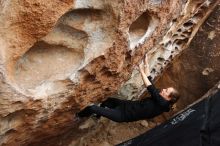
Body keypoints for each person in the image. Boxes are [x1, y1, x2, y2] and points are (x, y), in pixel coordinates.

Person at [77, 54, 180, 122]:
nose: (163, 89)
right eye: (166, 89)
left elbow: (149, 87)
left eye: (166, 91)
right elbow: (150, 81)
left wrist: (140, 70)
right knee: (107, 101)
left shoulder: (162, 104)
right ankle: (98, 116)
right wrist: (146, 63)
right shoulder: (161, 98)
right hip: (126, 105)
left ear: (169, 98)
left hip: (122, 115)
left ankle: (78, 116)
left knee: (92, 108)